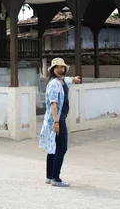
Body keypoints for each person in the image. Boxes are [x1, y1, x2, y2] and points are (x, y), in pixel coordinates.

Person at [39, 57, 81, 187]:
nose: (59, 69)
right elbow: (53, 103)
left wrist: (74, 79)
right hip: (57, 118)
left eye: (61, 67)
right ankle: (56, 178)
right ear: (53, 69)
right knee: (62, 147)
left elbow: (68, 80)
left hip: (59, 117)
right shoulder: (54, 84)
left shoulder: (61, 81)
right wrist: (56, 122)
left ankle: (49, 176)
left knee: (53, 147)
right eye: (57, 67)